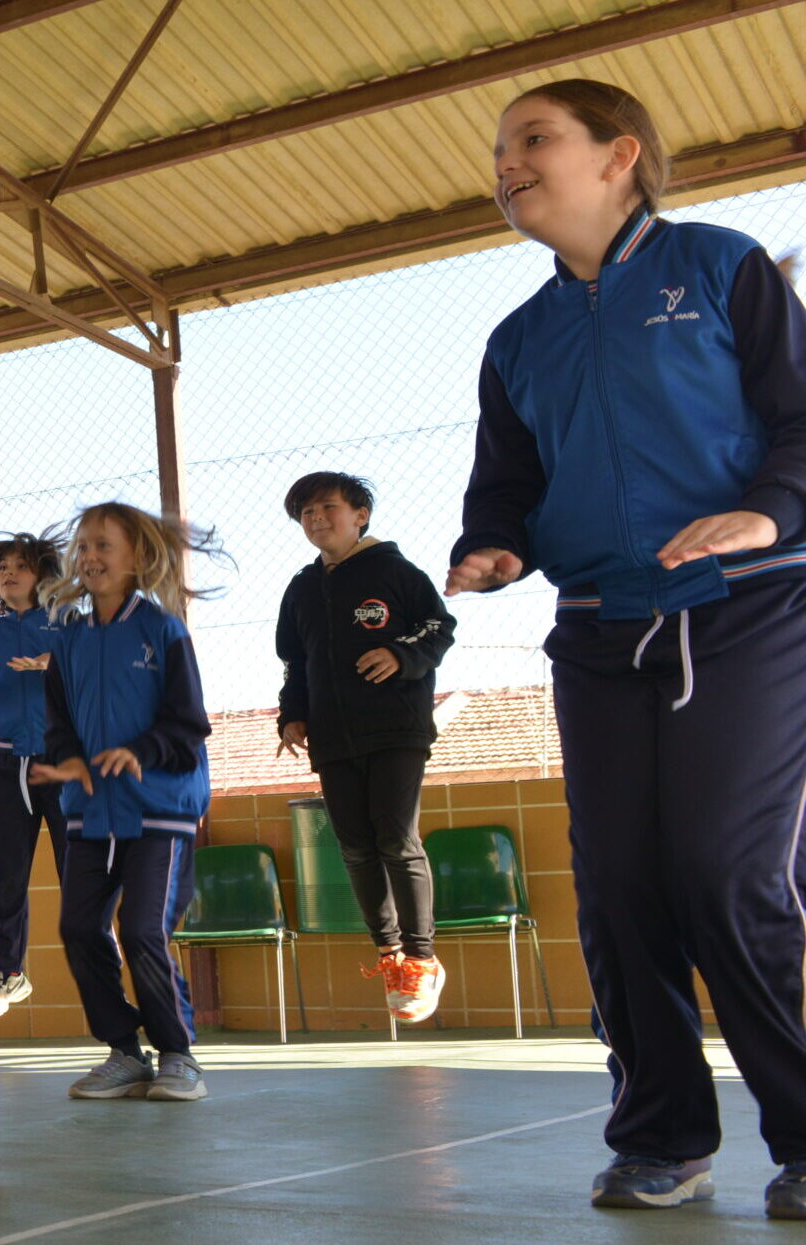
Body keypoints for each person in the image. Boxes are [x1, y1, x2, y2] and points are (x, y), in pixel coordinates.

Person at [450, 78, 806, 1216]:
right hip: (598, 630)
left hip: (743, 609)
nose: (507, 163)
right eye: (499, 149)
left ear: (619, 157)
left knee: (722, 869)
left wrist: (771, 508)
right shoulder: (518, 339)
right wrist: (492, 548)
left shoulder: (717, 266)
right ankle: (660, 1135)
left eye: (533, 140)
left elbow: (800, 419)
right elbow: (503, 487)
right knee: (615, 888)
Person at [33, 503, 216, 1105]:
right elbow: (58, 722)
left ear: (137, 557)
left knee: (142, 929)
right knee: (79, 927)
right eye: (82, 547)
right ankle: (123, 1052)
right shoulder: (68, 640)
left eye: (103, 546)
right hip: (90, 811)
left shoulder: (162, 631)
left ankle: (178, 1055)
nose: (89, 558)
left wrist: (141, 751)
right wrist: (68, 758)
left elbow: (188, 725)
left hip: (158, 809)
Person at [273, 471, 456, 1023]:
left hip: (397, 729)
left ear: (361, 516)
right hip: (332, 738)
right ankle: (390, 953)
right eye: (306, 513)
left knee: (396, 838)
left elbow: (438, 627)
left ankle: (423, 958)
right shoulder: (302, 589)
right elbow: (294, 663)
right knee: (354, 845)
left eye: (328, 507)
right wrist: (293, 715)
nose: (317, 519)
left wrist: (401, 656)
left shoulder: (396, 572)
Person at [0, 533, 70, 1019]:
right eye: (1, 567)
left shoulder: (71, 626)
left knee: (82, 874)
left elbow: (105, 680)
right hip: (6, 766)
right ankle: (7, 971)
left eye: (20, 566)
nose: (8, 573)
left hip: (66, 763)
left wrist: (58, 663)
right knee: (3, 876)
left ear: (43, 575)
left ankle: (101, 959)